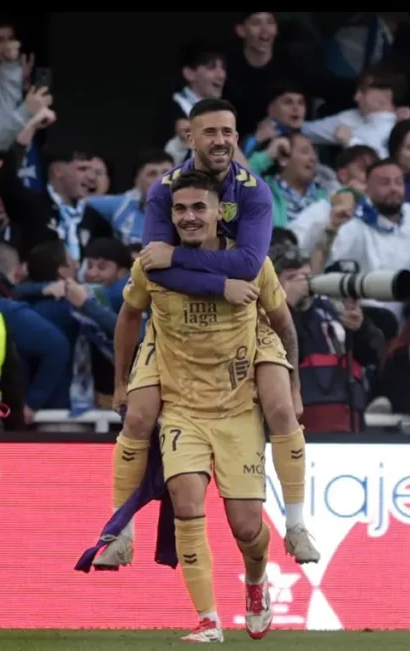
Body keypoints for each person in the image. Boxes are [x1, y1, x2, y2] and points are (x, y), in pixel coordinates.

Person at [97, 98, 317, 569]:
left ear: (237, 137)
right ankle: (119, 533)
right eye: (210, 132)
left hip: (245, 322)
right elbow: (153, 269)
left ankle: (296, 524)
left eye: (228, 132)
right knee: (136, 418)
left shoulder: (254, 191)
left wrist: (176, 260)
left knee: (280, 407)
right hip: (175, 323)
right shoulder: (165, 190)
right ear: (189, 138)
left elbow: (247, 264)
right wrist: (218, 282)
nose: (220, 140)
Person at [118, 170, 289, 642]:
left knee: (246, 529)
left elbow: (282, 320)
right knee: (187, 502)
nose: (189, 217)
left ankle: (256, 579)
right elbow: (129, 315)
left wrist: (291, 386)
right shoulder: (151, 264)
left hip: (238, 411)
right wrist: (121, 380)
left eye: (199, 208)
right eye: (180, 209)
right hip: (182, 407)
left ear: (220, 212)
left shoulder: (254, 264)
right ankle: (208, 619)